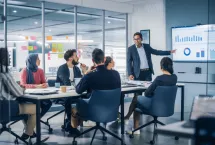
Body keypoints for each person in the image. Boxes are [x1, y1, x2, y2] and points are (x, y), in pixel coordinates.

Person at [125, 32, 176, 121]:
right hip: (138, 74)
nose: (136, 41)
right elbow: (128, 63)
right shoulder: (131, 49)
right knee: (137, 96)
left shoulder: (147, 47)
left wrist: (168, 52)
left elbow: (156, 52)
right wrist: (130, 74)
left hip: (147, 72)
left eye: (138, 39)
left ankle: (150, 112)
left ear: (141, 39)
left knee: (149, 92)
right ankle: (133, 118)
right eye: (135, 39)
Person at [70, 48, 121, 132]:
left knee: (73, 104)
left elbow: (78, 90)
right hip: (112, 111)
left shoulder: (90, 76)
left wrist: (86, 73)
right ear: (104, 59)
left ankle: (74, 131)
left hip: (93, 111)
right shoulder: (116, 74)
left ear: (93, 60)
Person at [126, 57, 177, 135]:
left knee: (136, 100)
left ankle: (134, 127)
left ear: (161, 67)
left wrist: (153, 92)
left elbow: (147, 93)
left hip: (155, 106)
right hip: (167, 108)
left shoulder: (159, 78)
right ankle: (127, 119)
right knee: (138, 102)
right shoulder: (174, 78)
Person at [0, 48, 37, 140]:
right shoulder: (4, 73)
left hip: (3, 106)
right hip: (5, 108)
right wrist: (22, 88)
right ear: (3, 59)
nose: (9, 59)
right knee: (35, 108)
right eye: (8, 56)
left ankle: (29, 132)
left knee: (25, 107)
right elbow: (18, 92)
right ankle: (29, 133)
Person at [56, 49, 87, 134]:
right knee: (68, 100)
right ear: (70, 58)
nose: (78, 58)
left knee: (85, 98)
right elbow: (66, 83)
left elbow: (81, 82)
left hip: (74, 94)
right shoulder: (62, 68)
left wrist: (84, 71)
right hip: (63, 95)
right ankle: (71, 125)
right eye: (76, 56)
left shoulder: (77, 69)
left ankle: (72, 122)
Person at [20, 54, 52, 118]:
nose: (39, 60)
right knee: (36, 104)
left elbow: (44, 83)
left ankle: (37, 118)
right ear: (32, 60)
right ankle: (34, 120)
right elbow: (23, 85)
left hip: (39, 94)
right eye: (38, 59)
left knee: (48, 103)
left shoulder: (40, 70)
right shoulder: (24, 71)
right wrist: (37, 86)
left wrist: (45, 85)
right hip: (28, 95)